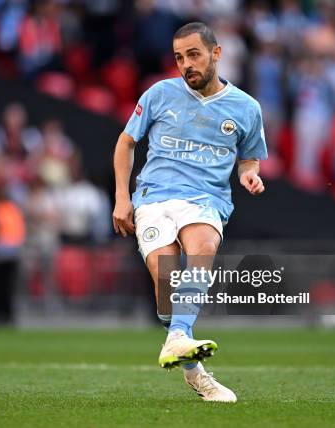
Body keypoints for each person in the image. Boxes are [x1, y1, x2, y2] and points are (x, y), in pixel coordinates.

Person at [112, 22, 267, 403]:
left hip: (206, 200)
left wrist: (249, 175)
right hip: (153, 198)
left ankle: (180, 338)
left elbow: (249, 160)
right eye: (179, 57)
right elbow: (126, 142)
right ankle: (192, 368)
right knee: (168, 292)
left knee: (202, 244)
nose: (186, 65)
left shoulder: (247, 108)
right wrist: (121, 197)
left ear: (216, 53)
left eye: (194, 55)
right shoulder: (160, 94)